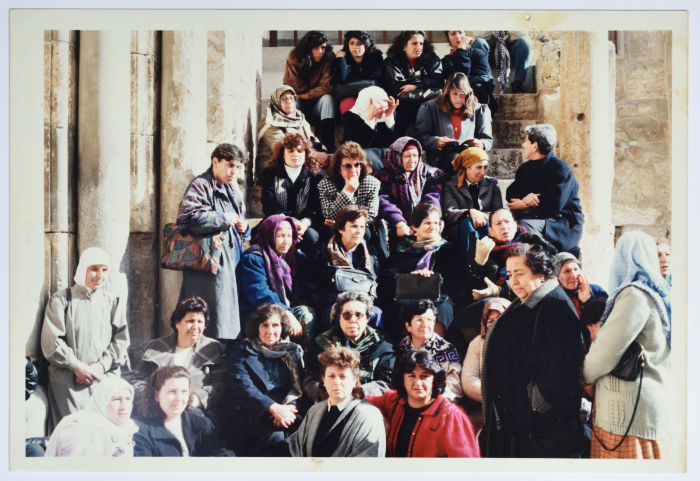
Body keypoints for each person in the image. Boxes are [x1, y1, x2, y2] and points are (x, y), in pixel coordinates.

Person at [481, 241, 588, 458]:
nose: (514, 281)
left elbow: (560, 369)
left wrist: (536, 404)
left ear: (539, 272)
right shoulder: (532, 301)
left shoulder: (553, 306)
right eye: (510, 274)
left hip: (539, 427)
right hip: (520, 419)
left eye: (520, 273)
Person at [583, 232, 672, 459]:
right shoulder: (657, 292)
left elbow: (605, 351)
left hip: (629, 418)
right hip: (642, 410)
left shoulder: (635, 295)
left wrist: (584, 375)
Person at [41, 247, 130, 432]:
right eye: (94, 269)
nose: (99, 275)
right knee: (72, 434)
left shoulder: (113, 301)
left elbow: (121, 340)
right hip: (69, 383)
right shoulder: (61, 300)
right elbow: (52, 341)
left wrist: (101, 366)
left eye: (105, 269)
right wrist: (77, 366)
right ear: (83, 269)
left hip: (103, 380)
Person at [177, 143, 250, 342]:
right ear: (215, 162)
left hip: (229, 262)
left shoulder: (231, 189)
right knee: (210, 322)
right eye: (230, 165)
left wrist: (244, 227)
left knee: (226, 320)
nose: (234, 171)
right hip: (208, 265)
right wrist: (221, 218)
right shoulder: (201, 184)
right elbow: (186, 218)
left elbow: (238, 220)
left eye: (237, 167)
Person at [366, 350, 480, 458]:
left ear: (434, 380)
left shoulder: (451, 417)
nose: (418, 383)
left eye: (425, 376)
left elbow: (467, 467)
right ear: (402, 379)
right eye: (411, 376)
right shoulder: (392, 401)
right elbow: (360, 401)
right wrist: (380, 416)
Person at [131, 297, 227, 424]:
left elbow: (221, 385)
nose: (195, 326)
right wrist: (158, 401)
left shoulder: (215, 349)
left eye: (200, 322)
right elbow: (138, 382)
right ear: (177, 323)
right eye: (190, 321)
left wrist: (193, 400)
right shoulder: (156, 347)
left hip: (198, 416)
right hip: (157, 414)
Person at [227, 304, 306, 456]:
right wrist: (272, 408)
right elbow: (242, 386)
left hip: (288, 414)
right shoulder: (242, 349)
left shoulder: (291, 351)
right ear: (257, 328)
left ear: (282, 328)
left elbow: (299, 386)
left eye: (275, 325)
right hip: (256, 415)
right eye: (265, 325)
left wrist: (288, 409)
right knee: (277, 441)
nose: (270, 331)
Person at [379, 203, 468, 340]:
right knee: (402, 307)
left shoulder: (450, 249)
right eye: (427, 223)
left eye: (436, 223)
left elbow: (457, 280)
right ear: (414, 226)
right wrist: (409, 277)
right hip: (407, 296)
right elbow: (387, 275)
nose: (433, 227)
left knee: (442, 309)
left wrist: (434, 279)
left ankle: (437, 353)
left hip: (439, 296)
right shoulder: (401, 250)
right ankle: (406, 354)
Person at [289, 346, 386, 457]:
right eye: (331, 376)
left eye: (343, 376)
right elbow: (295, 447)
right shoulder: (314, 410)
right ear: (324, 380)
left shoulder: (369, 415)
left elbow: (366, 463)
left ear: (355, 381)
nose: (337, 382)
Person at [237, 215, 315, 352]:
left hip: (286, 308)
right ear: (269, 235)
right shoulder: (253, 258)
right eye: (280, 236)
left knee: (307, 314)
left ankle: (301, 361)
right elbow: (259, 294)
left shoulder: (295, 258)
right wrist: (286, 313)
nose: (286, 241)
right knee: (279, 322)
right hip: (259, 311)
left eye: (289, 236)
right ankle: (282, 363)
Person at [505, 124, 583, 256]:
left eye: (526, 141)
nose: (523, 145)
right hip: (535, 217)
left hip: (560, 223)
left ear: (535, 146)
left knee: (523, 227)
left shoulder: (560, 167)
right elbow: (511, 193)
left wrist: (526, 203)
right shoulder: (525, 168)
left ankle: (544, 259)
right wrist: (526, 197)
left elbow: (555, 203)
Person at [305, 205, 382, 330]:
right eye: (354, 226)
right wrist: (335, 297)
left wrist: (370, 297)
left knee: (377, 313)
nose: (359, 231)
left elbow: (380, 283)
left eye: (362, 226)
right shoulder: (322, 251)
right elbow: (308, 286)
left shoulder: (372, 254)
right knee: (344, 313)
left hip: (365, 304)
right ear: (341, 228)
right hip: (334, 304)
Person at [308, 291, 396, 397]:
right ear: (339, 317)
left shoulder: (382, 345)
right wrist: (334, 396)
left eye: (359, 315)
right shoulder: (322, 343)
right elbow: (310, 381)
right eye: (347, 315)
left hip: (368, 404)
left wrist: (352, 394)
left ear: (367, 318)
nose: (353, 320)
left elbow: (386, 384)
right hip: (329, 401)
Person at [133, 365, 234, 457]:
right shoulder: (138, 430)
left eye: (184, 391)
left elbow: (221, 453)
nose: (179, 398)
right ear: (156, 395)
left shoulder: (201, 423)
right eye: (172, 391)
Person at [373, 136, 445, 251]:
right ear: (397, 156)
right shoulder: (383, 176)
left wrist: (421, 223)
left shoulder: (430, 174)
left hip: (424, 221)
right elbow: (383, 200)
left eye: (415, 155)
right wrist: (399, 222)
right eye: (407, 156)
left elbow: (432, 198)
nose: (412, 160)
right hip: (395, 223)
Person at [416, 72, 493, 175]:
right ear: (448, 92)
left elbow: (487, 139)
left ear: (468, 93)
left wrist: (481, 144)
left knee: (473, 164)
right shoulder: (431, 107)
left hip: (468, 156)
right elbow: (422, 137)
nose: (458, 99)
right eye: (455, 94)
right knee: (454, 159)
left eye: (462, 94)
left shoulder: (479, 109)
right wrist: (437, 141)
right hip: (441, 157)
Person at [259, 132, 325, 253]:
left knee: (311, 238)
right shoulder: (269, 174)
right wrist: (289, 223)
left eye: (300, 151)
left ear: (305, 155)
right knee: (262, 235)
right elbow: (268, 204)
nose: (296, 154)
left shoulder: (316, 177)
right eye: (290, 151)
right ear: (283, 154)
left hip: (304, 224)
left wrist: (306, 222)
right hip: (278, 220)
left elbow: (316, 207)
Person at [44, 377, 138, 457]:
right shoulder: (83, 430)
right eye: (117, 399)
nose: (124, 406)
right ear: (102, 401)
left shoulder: (125, 427)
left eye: (128, 399)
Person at [396, 300, 463, 402]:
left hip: (436, 403)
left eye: (430, 320)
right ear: (408, 326)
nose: (425, 325)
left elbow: (453, 387)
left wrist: (432, 403)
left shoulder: (446, 351)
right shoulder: (402, 347)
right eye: (419, 320)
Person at [256, 85, 330, 177]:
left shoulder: (298, 117)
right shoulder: (271, 121)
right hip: (274, 164)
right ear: (277, 101)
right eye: (284, 99)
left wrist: (320, 155)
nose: (289, 101)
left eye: (292, 98)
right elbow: (282, 148)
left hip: (299, 158)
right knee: (318, 175)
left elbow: (312, 140)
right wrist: (315, 155)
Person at [461, 298, 510, 433]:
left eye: (500, 317)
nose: (495, 323)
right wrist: (494, 397)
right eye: (490, 320)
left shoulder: (525, 341)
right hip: (485, 403)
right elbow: (469, 379)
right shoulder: (477, 343)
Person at [283, 30, 337, 152]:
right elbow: (293, 89)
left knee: (328, 99)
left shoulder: (328, 58)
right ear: (308, 48)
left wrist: (305, 95)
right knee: (291, 101)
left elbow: (327, 86)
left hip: (317, 104)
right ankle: (296, 145)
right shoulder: (294, 59)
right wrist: (302, 96)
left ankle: (328, 143)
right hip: (299, 104)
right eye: (315, 48)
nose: (320, 51)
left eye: (323, 47)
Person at [441, 147, 502, 254]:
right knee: (468, 223)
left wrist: (480, 216)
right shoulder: (450, 185)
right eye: (479, 167)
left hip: (487, 224)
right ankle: (468, 260)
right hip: (463, 228)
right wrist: (469, 212)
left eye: (485, 167)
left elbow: (498, 211)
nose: (483, 172)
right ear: (467, 167)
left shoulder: (492, 183)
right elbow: (449, 213)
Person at [318, 141, 381, 242]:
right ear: (339, 169)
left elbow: (371, 216)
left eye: (357, 165)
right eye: (347, 166)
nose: (353, 170)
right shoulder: (326, 184)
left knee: (366, 234)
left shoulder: (372, 183)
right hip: (335, 230)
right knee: (330, 232)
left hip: (359, 228)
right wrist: (347, 192)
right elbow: (328, 215)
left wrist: (346, 224)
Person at [384, 31, 443, 138]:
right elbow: (398, 88)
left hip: (427, 104)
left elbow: (438, 81)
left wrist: (415, 86)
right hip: (403, 106)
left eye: (421, 43)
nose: (419, 47)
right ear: (404, 45)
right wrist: (426, 85)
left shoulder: (431, 59)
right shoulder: (393, 61)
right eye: (414, 43)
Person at [441, 30, 497, 113]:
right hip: (457, 103)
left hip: (481, 100)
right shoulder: (446, 61)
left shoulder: (479, 53)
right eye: (453, 34)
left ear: (465, 34)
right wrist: (461, 49)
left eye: (460, 32)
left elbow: (484, 79)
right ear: (448, 38)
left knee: (477, 87)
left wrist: (467, 79)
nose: (457, 36)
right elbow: (458, 81)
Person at [332, 31, 387, 115]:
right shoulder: (343, 60)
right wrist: (340, 58)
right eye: (351, 43)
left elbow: (377, 83)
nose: (355, 47)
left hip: (370, 97)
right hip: (350, 98)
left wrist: (349, 84)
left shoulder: (375, 57)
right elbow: (340, 83)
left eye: (359, 43)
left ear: (366, 45)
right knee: (347, 103)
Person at [342, 86, 398, 150]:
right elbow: (356, 148)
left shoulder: (387, 112)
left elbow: (394, 144)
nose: (381, 108)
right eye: (378, 104)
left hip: (381, 156)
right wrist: (369, 119)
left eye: (384, 103)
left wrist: (389, 116)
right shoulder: (350, 116)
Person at [555, 252, 608, 317]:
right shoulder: (554, 299)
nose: (574, 275)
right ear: (556, 275)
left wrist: (587, 300)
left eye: (576, 269)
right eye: (567, 271)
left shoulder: (596, 291)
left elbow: (609, 318)